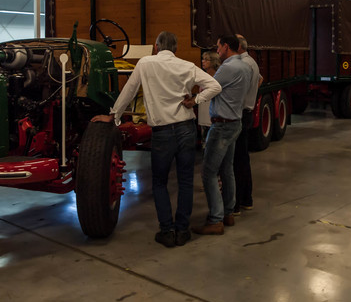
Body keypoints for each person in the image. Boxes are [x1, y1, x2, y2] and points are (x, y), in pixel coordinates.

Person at [92, 31, 221, 248]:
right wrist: (196, 100)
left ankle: (167, 231)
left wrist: (113, 115)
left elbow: (129, 91)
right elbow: (215, 86)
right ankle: (182, 230)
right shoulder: (187, 66)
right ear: (176, 48)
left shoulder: (145, 64)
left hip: (162, 132)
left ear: (156, 46)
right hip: (186, 129)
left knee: (160, 182)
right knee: (186, 181)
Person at [187, 34, 251, 235]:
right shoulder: (246, 66)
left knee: (208, 172)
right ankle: (228, 213)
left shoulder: (228, 68)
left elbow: (211, 87)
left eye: (218, 47)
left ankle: (216, 219)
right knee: (227, 169)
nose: (217, 51)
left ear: (225, 47)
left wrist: (192, 101)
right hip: (234, 122)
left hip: (222, 126)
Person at [233, 34, 263, 215]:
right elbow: (260, 79)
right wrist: (251, 96)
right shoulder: (251, 62)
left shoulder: (242, 64)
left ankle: (235, 203)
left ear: (237, 47)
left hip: (239, 114)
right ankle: (246, 199)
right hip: (247, 112)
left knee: (236, 161)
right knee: (243, 159)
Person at [197, 51, 221, 145]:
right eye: (203, 59)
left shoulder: (218, 77)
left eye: (206, 60)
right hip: (203, 116)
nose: (203, 61)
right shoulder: (203, 76)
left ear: (213, 62)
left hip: (213, 117)